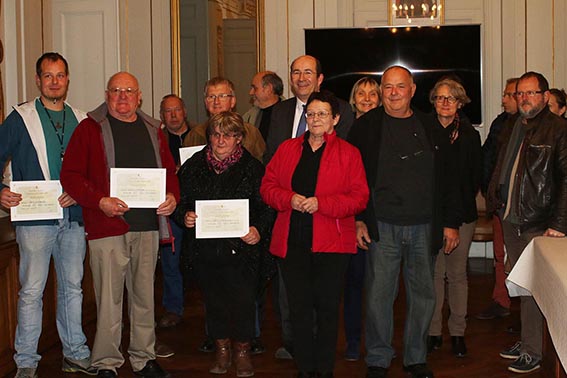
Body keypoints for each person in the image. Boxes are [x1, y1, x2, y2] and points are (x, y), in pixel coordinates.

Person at [60, 71, 179, 378]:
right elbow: (70, 175)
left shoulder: (154, 129)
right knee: (109, 301)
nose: (122, 96)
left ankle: (143, 357)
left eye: (129, 90)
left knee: (144, 298)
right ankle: (106, 363)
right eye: (116, 90)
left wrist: (171, 197)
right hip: (107, 226)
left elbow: (169, 172)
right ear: (106, 94)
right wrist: (100, 201)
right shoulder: (89, 128)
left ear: (139, 96)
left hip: (148, 227)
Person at [348, 65, 461, 378]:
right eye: (387, 87)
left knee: (423, 295)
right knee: (378, 297)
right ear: (382, 91)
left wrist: (450, 222)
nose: (393, 93)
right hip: (381, 226)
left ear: (412, 90)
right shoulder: (365, 127)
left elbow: (448, 179)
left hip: (424, 225)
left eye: (400, 87)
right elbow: (352, 179)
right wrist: (358, 219)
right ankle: (378, 358)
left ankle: (415, 357)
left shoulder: (430, 125)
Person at [0, 52, 96, 378]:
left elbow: (94, 170)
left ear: (68, 80)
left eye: (60, 75)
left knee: (73, 286)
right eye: (48, 75)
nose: (54, 81)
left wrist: (81, 191)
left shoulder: (82, 120)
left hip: (72, 217)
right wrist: (0, 190)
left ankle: (76, 352)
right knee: (31, 290)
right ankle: (26, 361)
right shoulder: (20, 118)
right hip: (35, 219)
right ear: (38, 80)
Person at [261, 90, 368, 378]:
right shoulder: (287, 149)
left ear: (335, 118)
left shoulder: (349, 153)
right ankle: (305, 368)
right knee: (298, 311)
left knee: (328, 310)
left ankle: (324, 369)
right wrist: (289, 199)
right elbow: (267, 187)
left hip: (332, 245)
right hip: (292, 243)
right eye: (311, 114)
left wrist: (323, 204)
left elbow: (359, 198)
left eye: (322, 114)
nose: (316, 119)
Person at [172, 111, 273, 377]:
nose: (220, 140)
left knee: (243, 301)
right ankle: (222, 349)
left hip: (242, 250)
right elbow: (178, 202)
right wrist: (185, 216)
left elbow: (266, 209)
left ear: (239, 138)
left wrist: (257, 231)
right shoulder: (193, 165)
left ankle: (242, 352)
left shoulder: (253, 168)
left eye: (228, 135)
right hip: (205, 250)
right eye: (216, 134)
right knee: (214, 301)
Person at [487, 71, 567, 374]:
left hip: (539, 221)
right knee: (519, 284)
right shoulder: (513, 125)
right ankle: (526, 340)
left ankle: (533, 350)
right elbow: (504, 168)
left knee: (534, 289)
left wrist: (559, 222)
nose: (524, 99)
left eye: (531, 93)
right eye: (520, 93)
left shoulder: (558, 129)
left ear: (545, 97)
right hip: (511, 217)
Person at [426, 78, 481, 358]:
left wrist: (454, 222)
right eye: (439, 97)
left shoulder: (470, 136)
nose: (444, 102)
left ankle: (457, 332)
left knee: (457, 275)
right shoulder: (423, 130)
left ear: (460, 103)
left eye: (451, 98)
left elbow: (472, 182)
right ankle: (433, 331)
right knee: (434, 274)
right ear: (433, 101)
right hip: (431, 216)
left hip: (462, 215)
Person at [343, 76, 380, 362]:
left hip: (379, 218)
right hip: (348, 217)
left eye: (372, 94)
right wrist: (355, 217)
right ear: (353, 98)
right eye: (361, 93)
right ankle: (353, 341)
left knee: (378, 285)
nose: (366, 98)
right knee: (353, 283)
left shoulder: (386, 128)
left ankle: (378, 341)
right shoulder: (342, 130)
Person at [476, 78, 519, 321]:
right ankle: (501, 300)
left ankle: (523, 310)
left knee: (518, 258)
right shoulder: (499, 123)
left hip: (521, 209)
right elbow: (487, 159)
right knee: (499, 255)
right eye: (505, 94)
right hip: (499, 204)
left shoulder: (528, 126)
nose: (504, 99)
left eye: (508, 94)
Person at [264, 55, 354, 163]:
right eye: (296, 72)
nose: (301, 78)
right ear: (291, 79)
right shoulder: (280, 110)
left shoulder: (340, 109)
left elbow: (343, 156)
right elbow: (271, 155)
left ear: (319, 79)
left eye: (308, 72)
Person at [156, 94, 189, 330]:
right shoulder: (156, 139)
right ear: (161, 115)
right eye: (168, 111)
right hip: (169, 208)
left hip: (197, 206)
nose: (173, 115)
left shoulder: (201, 135)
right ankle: (173, 308)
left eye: (177, 110)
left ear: (184, 111)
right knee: (170, 260)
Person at [183, 77, 266, 162]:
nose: (216, 102)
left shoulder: (250, 133)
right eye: (211, 97)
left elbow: (263, 167)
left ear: (233, 101)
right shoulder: (194, 135)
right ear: (206, 103)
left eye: (222, 96)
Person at [243, 71, 284, 140]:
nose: (251, 92)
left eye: (255, 88)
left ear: (268, 89)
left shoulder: (289, 113)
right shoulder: (249, 116)